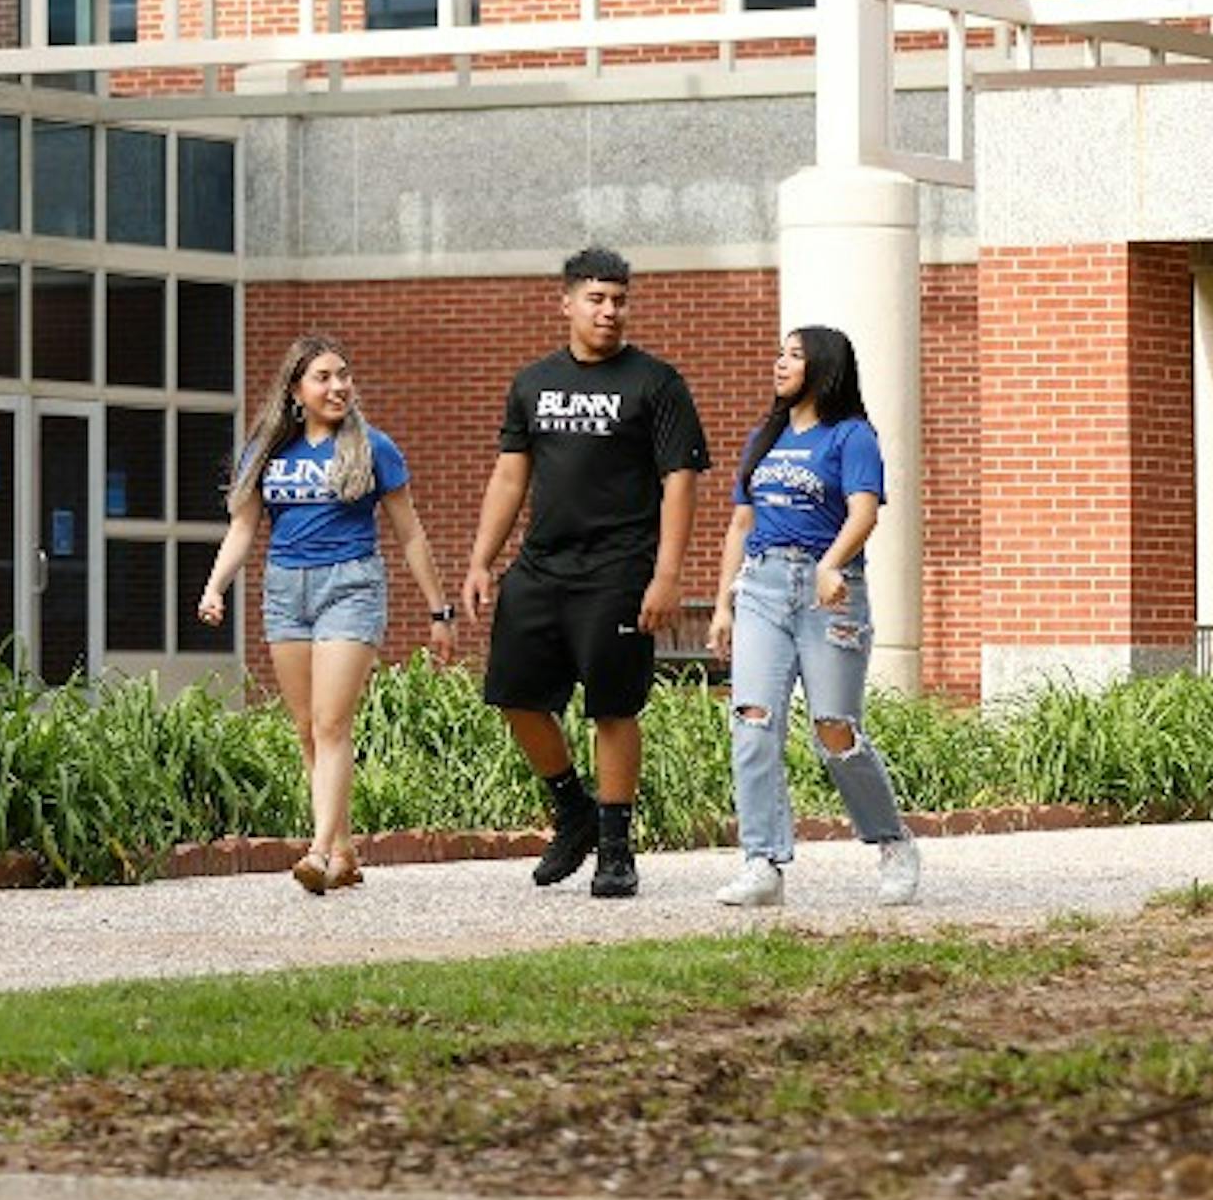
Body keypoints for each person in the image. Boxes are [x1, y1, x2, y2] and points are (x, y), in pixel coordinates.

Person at [461, 245, 708, 900]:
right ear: (566, 302)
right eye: (596, 299)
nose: (609, 310)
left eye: (619, 299)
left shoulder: (656, 382)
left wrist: (666, 574)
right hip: (542, 566)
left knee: (613, 706)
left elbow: (680, 483)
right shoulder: (532, 382)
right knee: (515, 694)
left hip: (619, 569)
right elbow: (511, 474)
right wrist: (483, 559)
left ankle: (617, 848)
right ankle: (571, 811)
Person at [198, 333, 458, 893]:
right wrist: (215, 586)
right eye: (324, 377)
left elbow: (409, 533)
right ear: (296, 389)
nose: (338, 386)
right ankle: (343, 852)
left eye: (343, 375)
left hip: (352, 585)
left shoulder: (373, 448)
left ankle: (316, 852)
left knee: (331, 722)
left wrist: (440, 610)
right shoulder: (266, 451)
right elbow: (243, 527)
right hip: (285, 591)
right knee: (307, 730)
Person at [707, 326, 923, 907]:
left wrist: (831, 565)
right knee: (752, 720)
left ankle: (893, 842)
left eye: (794, 355)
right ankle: (763, 863)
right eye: (779, 352)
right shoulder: (765, 438)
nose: (780, 363)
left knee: (835, 732)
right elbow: (740, 525)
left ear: (824, 367)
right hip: (762, 588)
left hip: (830, 591)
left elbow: (864, 513)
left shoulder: (851, 437)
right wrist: (725, 601)